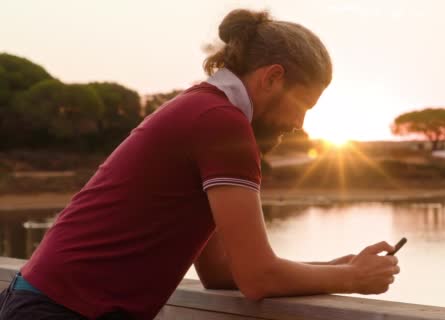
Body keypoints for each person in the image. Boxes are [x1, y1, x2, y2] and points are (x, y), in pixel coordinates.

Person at [0, 9, 400, 320]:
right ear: (273, 77)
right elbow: (257, 278)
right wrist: (352, 278)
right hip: (61, 311)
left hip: (40, 301)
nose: (299, 124)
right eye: (303, 106)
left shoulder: (201, 109)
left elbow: (222, 272)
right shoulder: (221, 124)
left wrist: (333, 267)